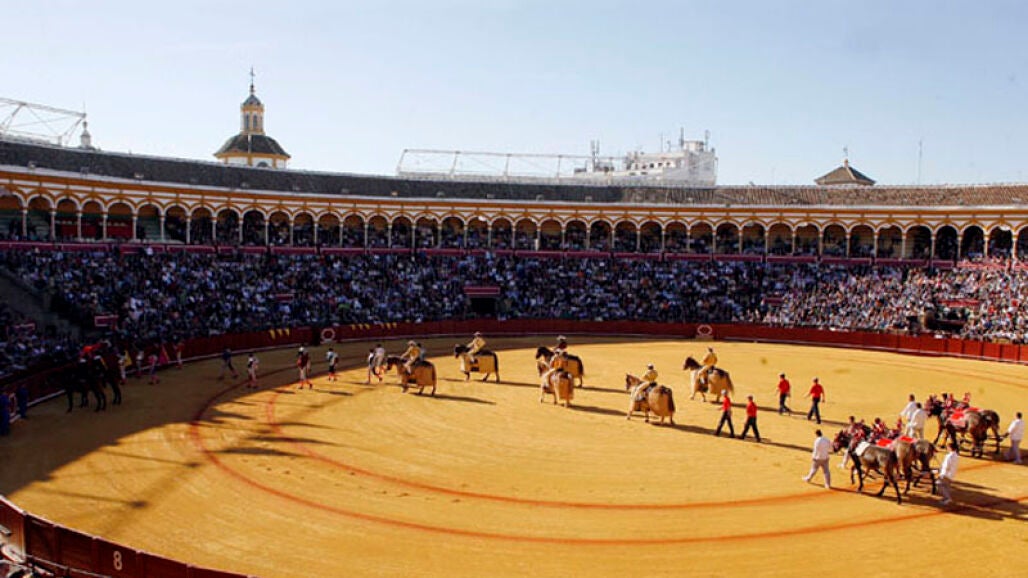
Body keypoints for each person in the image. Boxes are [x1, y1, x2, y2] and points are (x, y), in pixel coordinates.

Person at [938, 441, 960, 506]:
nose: (947, 448)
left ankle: (947, 498)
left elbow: (946, 466)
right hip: (951, 474)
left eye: (947, 447)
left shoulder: (949, 456)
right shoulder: (956, 456)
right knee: (946, 487)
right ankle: (945, 498)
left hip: (945, 474)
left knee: (939, 484)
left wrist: (941, 471)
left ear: (950, 448)